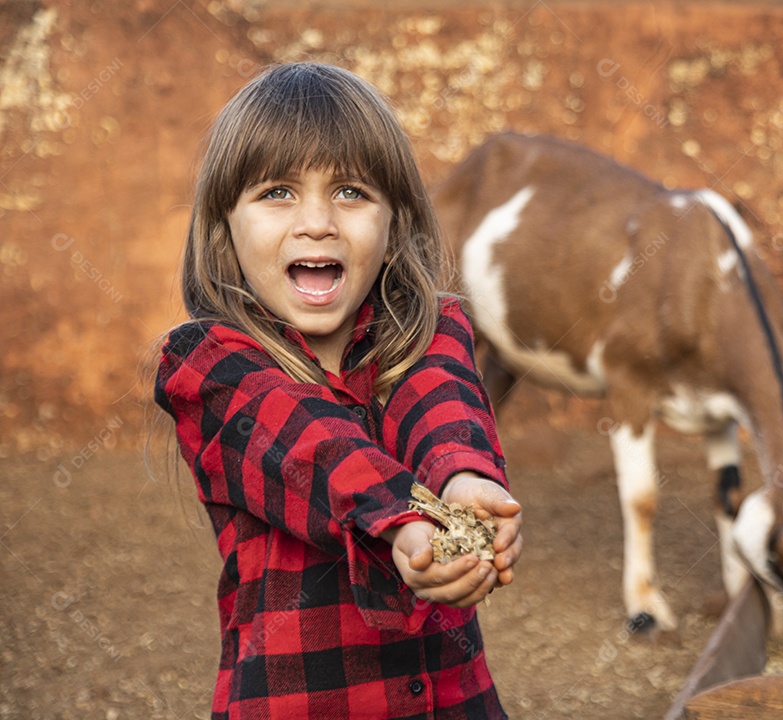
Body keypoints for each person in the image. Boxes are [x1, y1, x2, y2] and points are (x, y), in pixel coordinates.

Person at [153, 62, 522, 719]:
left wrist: (466, 483)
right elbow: (307, 445)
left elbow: (443, 407)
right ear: (224, 227)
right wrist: (406, 520)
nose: (318, 222)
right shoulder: (210, 367)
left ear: (395, 225)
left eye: (351, 191)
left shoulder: (430, 335)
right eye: (277, 192)